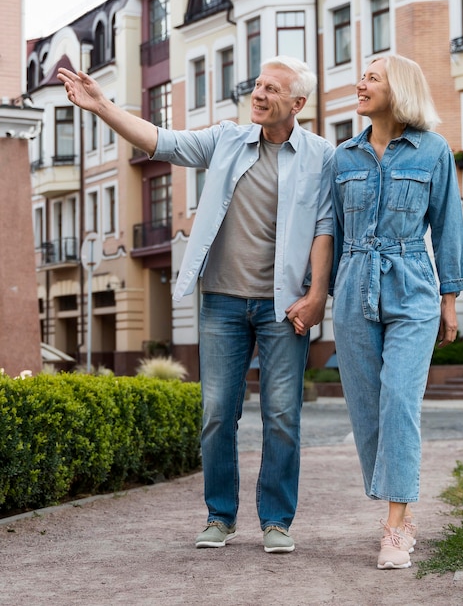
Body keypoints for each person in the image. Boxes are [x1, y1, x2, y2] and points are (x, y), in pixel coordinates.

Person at [58, 56, 334, 554]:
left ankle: (275, 521)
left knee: (282, 416)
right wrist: (102, 106)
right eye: (256, 85)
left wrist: (317, 297)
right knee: (215, 413)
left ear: (297, 103)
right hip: (223, 303)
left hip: (284, 308)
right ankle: (220, 516)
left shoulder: (321, 156)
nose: (258, 94)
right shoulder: (227, 139)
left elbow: (325, 229)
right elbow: (161, 140)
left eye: (271, 88)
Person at [330, 54, 463, 570]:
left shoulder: (433, 151)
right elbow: (333, 235)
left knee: (398, 402)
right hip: (352, 286)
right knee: (367, 409)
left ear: (399, 88)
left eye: (371, 77)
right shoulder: (343, 156)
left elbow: (448, 226)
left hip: (413, 286)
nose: (359, 83)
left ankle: (397, 524)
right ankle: (394, 500)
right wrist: (317, 294)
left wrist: (449, 298)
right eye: (362, 76)